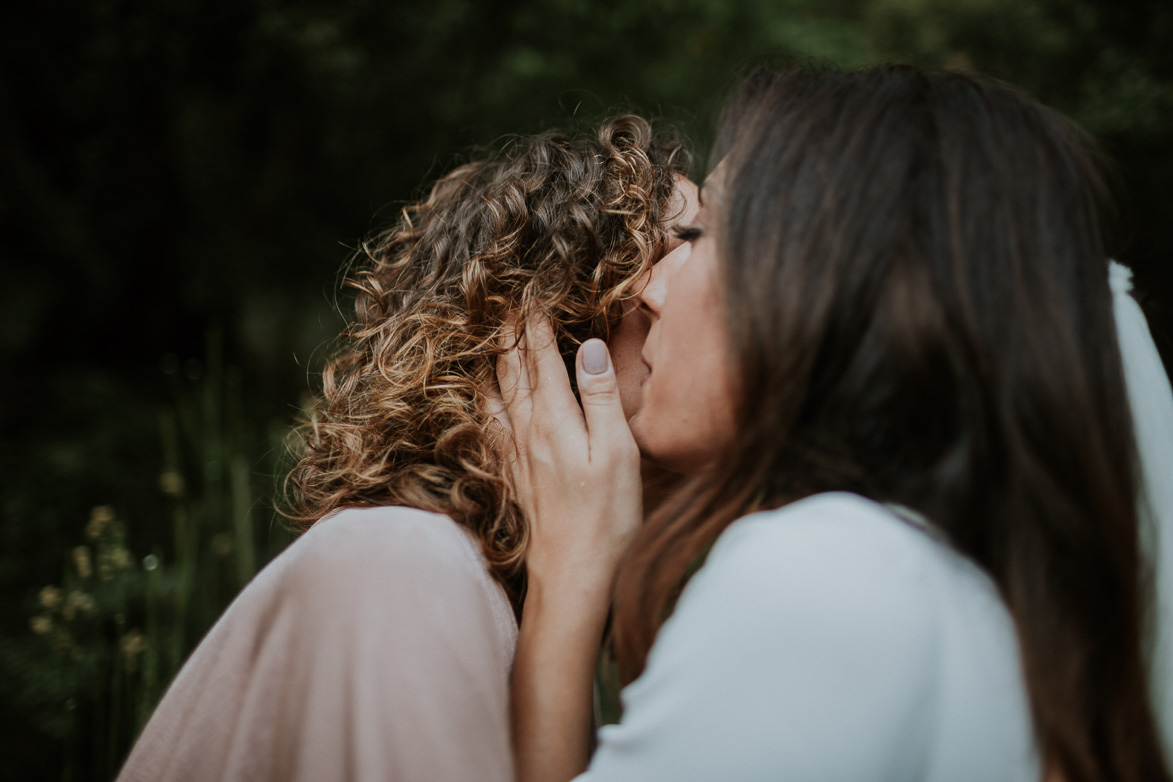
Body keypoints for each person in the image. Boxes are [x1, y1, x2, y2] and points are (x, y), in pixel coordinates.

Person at [500, 65, 1173, 782]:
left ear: (823, 282)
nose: (649, 287)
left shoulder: (821, 574)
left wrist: (565, 584)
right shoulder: (971, 585)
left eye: (698, 234)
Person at [115, 115, 697, 782]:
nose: (729, 281)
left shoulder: (516, 595)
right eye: (689, 243)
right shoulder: (403, 566)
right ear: (562, 318)